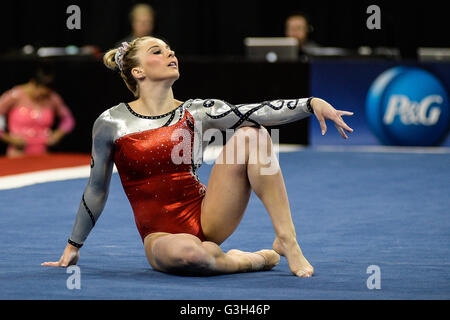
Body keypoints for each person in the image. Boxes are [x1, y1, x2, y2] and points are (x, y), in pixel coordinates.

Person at [42, 36, 354, 277]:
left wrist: (311, 104)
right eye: (157, 51)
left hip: (207, 213)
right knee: (191, 254)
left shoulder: (196, 111)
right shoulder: (111, 123)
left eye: (170, 50)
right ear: (137, 71)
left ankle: (287, 240)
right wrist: (74, 245)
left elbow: (255, 111)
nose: (170, 54)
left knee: (253, 133)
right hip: (160, 234)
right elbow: (97, 188)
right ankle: (248, 259)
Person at [0, 67, 75, 157]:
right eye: (40, 93)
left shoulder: (51, 98)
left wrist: (58, 134)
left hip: (44, 154)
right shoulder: (15, 96)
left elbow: (68, 119)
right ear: (33, 83)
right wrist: (8, 138)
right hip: (18, 154)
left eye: (45, 95)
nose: (41, 97)